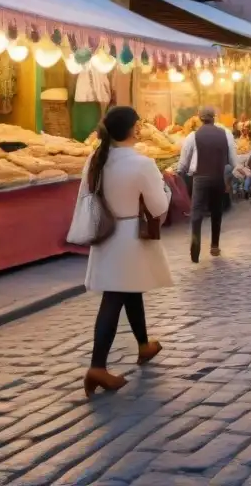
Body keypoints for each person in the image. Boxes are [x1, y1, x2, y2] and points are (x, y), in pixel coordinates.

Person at [81, 106, 171, 396]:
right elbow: (158, 207)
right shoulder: (142, 163)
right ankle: (97, 366)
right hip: (130, 236)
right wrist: (166, 189)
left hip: (106, 233)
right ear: (133, 129)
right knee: (115, 295)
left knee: (131, 289)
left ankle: (143, 344)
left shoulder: (95, 159)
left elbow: (85, 197)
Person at [177, 107, 235, 261]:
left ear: (200, 118)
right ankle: (214, 245)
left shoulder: (193, 136)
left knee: (197, 211)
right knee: (217, 211)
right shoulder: (226, 134)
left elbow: (183, 161)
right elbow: (232, 161)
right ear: (214, 117)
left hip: (200, 178)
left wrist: (180, 171)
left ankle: (196, 241)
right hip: (218, 176)